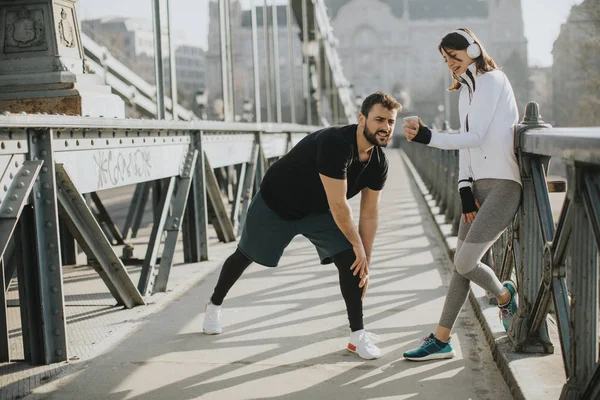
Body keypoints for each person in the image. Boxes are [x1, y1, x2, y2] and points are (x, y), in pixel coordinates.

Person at [202, 92, 402, 360]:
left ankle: (357, 336)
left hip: (318, 211)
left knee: (352, 260)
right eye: (379, 119)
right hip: (277, 204)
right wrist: (358, 246)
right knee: (245, 255)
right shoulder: (335, 143)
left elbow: (369, 215)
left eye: (391, 121)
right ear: (361, 119)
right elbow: (339, 205)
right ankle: (214, 304)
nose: (386, 127)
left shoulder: (379, 163)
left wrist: (365, 260)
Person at [402, 28, 521, 361]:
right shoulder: (464, 93)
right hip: (479, 187)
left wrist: (428, 136)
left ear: (472, 49)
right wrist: (464, 188)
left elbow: (477, 136)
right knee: (461, 267)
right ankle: (441, 339)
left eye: (453, 56)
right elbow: (467, 146)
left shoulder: (493, 80)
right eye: (445, 59)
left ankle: (503, 295)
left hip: (504, 186)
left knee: (466, 261)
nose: (450, 64)